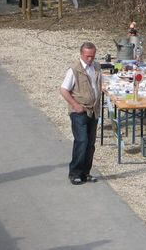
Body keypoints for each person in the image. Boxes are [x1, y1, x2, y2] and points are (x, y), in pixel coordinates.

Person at [59, 42, 102, 185]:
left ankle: (85, 173)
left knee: (90, 144)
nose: (90, 59)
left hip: (93, 110)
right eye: (87, 56)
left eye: (92, 56)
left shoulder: (96, 67)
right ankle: (75, 173)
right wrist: (75, 105)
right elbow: (64, 90)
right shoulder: (74, 70)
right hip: (79, 111)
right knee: (82, 141)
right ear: (81, 54)